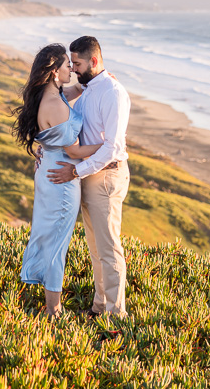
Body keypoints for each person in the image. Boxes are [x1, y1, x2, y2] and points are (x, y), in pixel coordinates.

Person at [47, 36, 131, 318]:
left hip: (106, 176)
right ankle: (99, 307)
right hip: (87, 175)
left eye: (78, 64)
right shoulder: (86, 87)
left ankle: (116, 315)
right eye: (71, 64)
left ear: (94, 61)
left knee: (109, 249)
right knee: (96, 249)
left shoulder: (112, 92)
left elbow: (114, 147)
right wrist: (45, 148)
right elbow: (54, 100)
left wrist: (75, 170)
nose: (74, 69)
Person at [13, 43, 85, 318]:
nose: (72, 70)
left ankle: (47, 297)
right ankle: (52, 309)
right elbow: (74, 151)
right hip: (61, 179)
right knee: (57, 242)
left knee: (48, 236)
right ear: (55, 72)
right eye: (68, 66)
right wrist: (109, 148)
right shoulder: (54, 103)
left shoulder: (50, 95)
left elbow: (77, 91)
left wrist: (99, 80)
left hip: (49, 174)